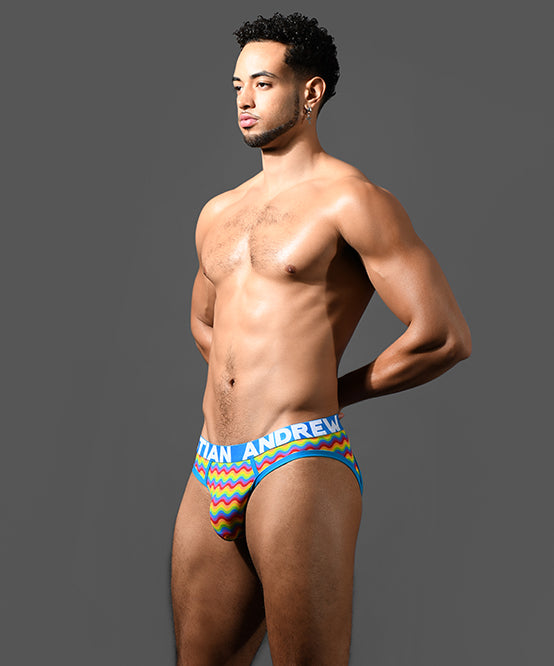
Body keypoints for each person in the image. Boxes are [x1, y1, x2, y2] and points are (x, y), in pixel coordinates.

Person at [171, 12, 471, 666]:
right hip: (210, 462)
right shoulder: (218, 212)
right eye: (237, 86)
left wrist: (331, 391)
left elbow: (442, 335)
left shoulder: (352, 200)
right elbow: (202, 320)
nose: (245, 100)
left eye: (263, 84)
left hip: (296, 457)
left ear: (310, 92)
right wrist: (243, 380)